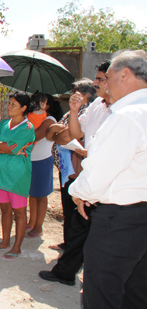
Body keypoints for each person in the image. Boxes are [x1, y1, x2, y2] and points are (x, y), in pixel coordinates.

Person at [67, 50, 147, 308]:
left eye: (107, 77)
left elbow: (98, 173)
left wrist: (78, 191)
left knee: (103, 292)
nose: (102, 85)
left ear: (124, 75)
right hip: (140, 218)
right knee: (136, 291)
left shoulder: (127, 116)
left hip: (119, 221)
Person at [39, 61, 111, 286]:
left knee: (88, 227)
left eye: (99, 79)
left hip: (104, 179)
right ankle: (67, 271)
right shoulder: (98, 106)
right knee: (79, 223)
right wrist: (72, 110)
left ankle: (73, 272)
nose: (96, 82)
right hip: (86, 176)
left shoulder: (123, 110)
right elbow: (69, 133)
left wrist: (80, 147)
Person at [46, 79, 97, 250]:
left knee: (75, 208)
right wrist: (57, 131)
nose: (73, 95)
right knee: (67, 207)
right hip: (65, 168)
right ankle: (68, 242)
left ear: (87, 95)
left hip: (76, 168)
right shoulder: (72, 112)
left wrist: (57, 131)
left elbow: (65, 136)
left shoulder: (87, 111)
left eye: (77, 92)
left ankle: (74, 247)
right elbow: (52, 134)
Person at [0, 92, 35, 260]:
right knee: (5, 209)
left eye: (14, 104)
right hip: (1, 173)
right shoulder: (4, 123)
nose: (9, 106)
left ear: (24, 108)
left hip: (17, 175)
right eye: (9, 103)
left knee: (19, 212)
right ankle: (5, 241)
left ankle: (17, 246)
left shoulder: (28, 128)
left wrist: (3, 146)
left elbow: (7, 147)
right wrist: (5, 146)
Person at [26, 94, 62, 238]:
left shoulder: (50, 120)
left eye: (36, 102)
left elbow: (36, 135)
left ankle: (39, 226)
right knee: (32, 195)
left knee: (40, 195)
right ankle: (31, 221)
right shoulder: (30, 117)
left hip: (42, 161)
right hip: (30, 160)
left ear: (44, 103)